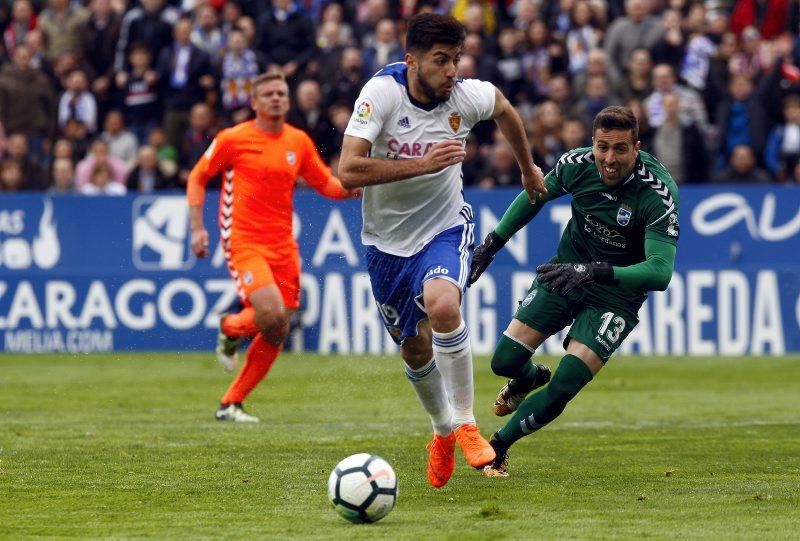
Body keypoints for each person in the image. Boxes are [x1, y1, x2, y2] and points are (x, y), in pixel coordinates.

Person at [337, 13, 546, 489]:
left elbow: (506, 110)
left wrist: (528, 169)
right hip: (385, 243)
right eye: (440, 60)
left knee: (443, 304)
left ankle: (468, 424)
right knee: (414, 350)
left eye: (456, 59)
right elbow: (348, 170)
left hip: (444, 228)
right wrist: (422, 166)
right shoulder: (381, 95)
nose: (451, 70)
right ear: (411, 60)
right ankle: (442, 431)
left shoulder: (465, 96)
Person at [469, 106, 680, 477]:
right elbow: (536, 193)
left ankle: (499, 446)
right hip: (567, 273)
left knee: (567, 381)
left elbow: (660, 271)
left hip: (615, 295)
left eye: (620, 149)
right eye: (602, 147)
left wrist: (596, 271)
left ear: (637, 148)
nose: (609, 159)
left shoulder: (657, 193)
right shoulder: (577, 165)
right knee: (503, 361)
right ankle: (529, 378)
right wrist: (493, 242)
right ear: (592, 144)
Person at [187, 71, 358, 423]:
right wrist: (196, 228)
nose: (277, 98)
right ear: (254, 102)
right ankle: (229, 327)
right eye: (268, 94)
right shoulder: (233, 139)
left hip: (283, 244)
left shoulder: (297, 141)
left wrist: (353, 188)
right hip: (244, 240)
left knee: (278, 327)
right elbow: (198, 176)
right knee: (271, 314)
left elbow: (324, 182)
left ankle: (230, 402)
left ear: (289, 100)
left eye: (281, 93)